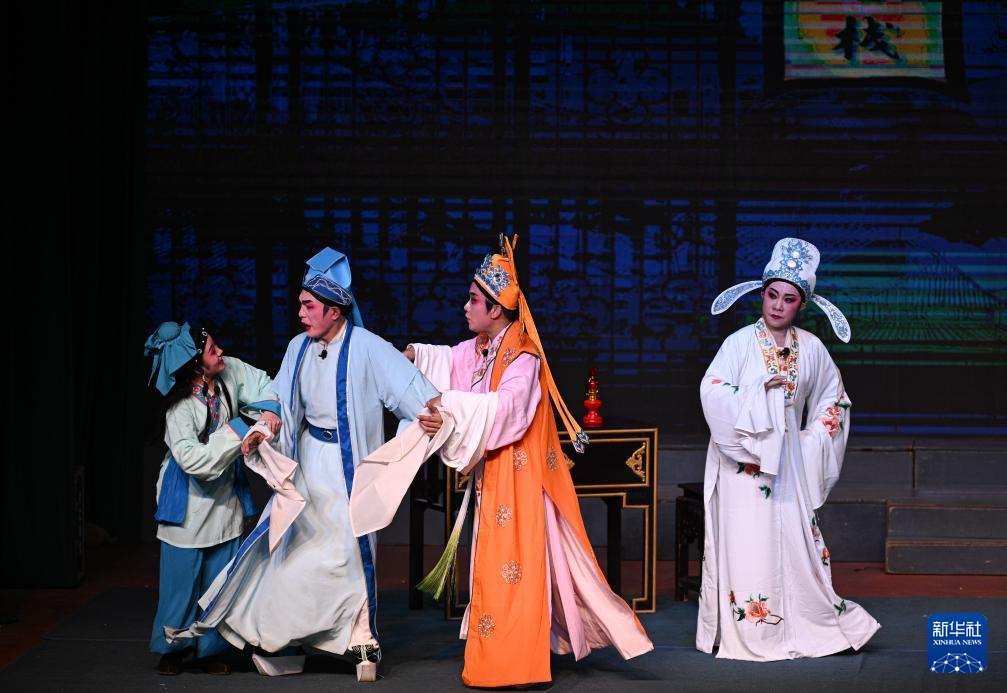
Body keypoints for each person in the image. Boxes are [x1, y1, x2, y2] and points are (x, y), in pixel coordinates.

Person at [165, 248, 439, 682]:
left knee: (347, 556)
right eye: (300, 304)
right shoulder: (298, 347)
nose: (300, 313)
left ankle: (359, 640)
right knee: (295, 554)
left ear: (335, 310)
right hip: (309, 462)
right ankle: (288, 640)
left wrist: (421, 426)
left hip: (349, 470)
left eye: (309, 306)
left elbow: (418, 398)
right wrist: (265, 427)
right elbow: (281, 402)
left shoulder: (369, 348)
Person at [405, 236, 653, 687]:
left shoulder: (522, 353)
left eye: (473, 300)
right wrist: (414, 356)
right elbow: (449, 359)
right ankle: (496, 659)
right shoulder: (484, 346)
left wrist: (450, 407)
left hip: (519, 481)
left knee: (514, 570)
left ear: (496, 310)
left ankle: (517, 664)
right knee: (495, 568)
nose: (465, 306)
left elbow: (510, 407)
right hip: (495, 475)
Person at [696, 237, 881, 661]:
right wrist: (759, 392)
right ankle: (756, 632)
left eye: (789, 299)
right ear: (762, 295)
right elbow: (712, 391)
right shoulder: (739, 343)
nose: (778, 305)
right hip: (743, 467)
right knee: (748, 546)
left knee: (797, 549)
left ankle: (810, 627)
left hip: (789, 465)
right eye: (772, 295)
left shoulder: (811, 348)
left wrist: (808, 442)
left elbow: (835, 401)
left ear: (801, 305)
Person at [144, 321, 281, 675]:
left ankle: (211, 649)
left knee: (220, 581)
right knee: (181, 585)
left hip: (224, 498)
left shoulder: (228, 372)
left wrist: (268, 411)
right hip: (188, 503)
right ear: (194, 365)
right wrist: (240, 428)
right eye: (211, 350)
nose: (220, 352)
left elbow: (264, 383)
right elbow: (194, 461)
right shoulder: (180, 408)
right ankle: (173, 649)